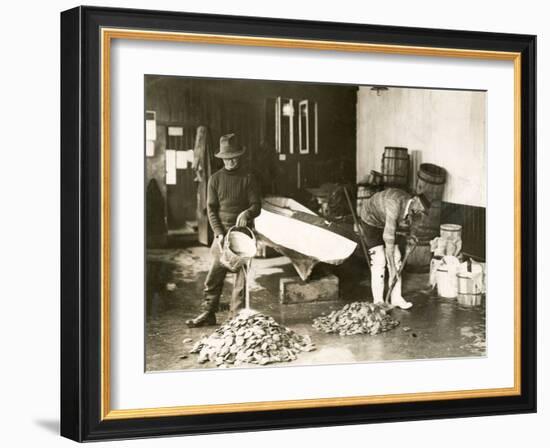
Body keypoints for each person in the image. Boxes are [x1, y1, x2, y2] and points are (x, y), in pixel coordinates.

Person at [186, 133, 261, 327]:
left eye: (234, 156)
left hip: (242, 235)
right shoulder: (215, 179)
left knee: (241, 281)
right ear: (222, 158)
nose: (231, 161)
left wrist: (247, 213)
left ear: (240, 155)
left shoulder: (249, 178)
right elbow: (211, 209)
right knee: (214, 276)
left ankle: (235, 319)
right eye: (227, 158)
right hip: (222, 235)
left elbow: (257, 205)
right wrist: (218, 233)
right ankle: (208, 312)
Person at [360, 188, 430, 309]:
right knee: (379, 259)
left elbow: (416, 223)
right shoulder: (394, 203)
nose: (420, 212)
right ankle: (378, 301)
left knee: (397, 257)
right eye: (420, 209)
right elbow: (389, 237)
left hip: (387, 220)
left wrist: (412, 237)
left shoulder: (416, 209)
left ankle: (396, 298)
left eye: (422, 211)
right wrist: (392, 269)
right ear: (414, 200)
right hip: (371, 221)